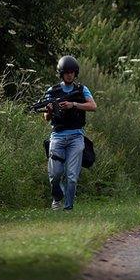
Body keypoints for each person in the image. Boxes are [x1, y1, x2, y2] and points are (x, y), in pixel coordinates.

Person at [43, 55, 97, 211]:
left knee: (72, 177)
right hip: (58, 136)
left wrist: (73, 104)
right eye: (66, 72)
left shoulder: (81, 90)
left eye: (72, 72)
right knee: (55, 174)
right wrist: (50, 110)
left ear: (76, 73)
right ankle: (57, 198)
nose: (69, 75)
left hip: (76, 136)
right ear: (61, 73)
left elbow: (93, 106)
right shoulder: (52, 91)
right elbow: (46, 118)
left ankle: (68, 208)